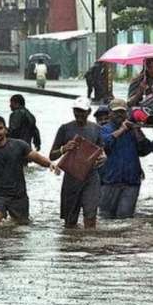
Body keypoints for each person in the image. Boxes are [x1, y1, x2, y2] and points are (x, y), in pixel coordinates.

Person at [49, 97, 107, 229]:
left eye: (82, 111)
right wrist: (64, 148)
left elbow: (101, 151)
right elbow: (52, 155)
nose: (79, 114)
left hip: (91, 177)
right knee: (69, 220)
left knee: (90, 216)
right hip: (71, 177)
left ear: (89, 112)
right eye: (76, 111)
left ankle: (89, 245)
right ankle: (71, 245)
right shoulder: (65, 129)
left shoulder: (96, 129)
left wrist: (103, 158)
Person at [99, 98, 152, 219]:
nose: (119, 115)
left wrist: (137, 132)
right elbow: (104, 144)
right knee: (105, 218)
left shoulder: (133, 130)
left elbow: (146, 150)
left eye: (122, 112)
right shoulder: (104, 129)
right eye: (116, 112)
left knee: (125, 218)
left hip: (131, 182)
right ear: (110, 113)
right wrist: (121, 130)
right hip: (109, 181)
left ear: (127, 113)